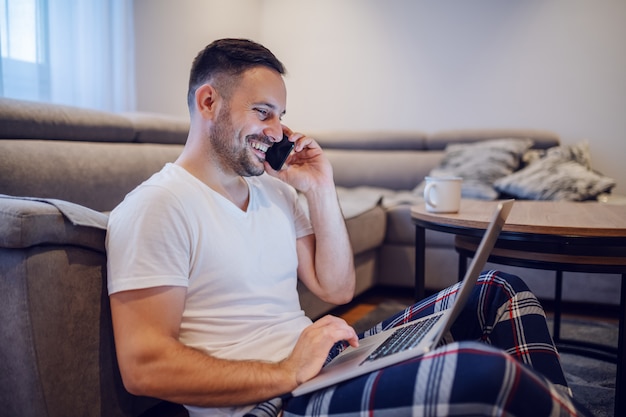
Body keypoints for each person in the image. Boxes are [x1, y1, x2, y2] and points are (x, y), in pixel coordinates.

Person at [106, 38, 584, 417]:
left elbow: (336, 287)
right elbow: (144, 367)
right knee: (477, 372)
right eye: (262, 112)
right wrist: (288, 371)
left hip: (322, 367)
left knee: (499, 289)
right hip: (270, 401)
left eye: (281, 116)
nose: (277, 131)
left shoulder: (275, 192)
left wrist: (319, 186)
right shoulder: (157, 207)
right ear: (208, 101)